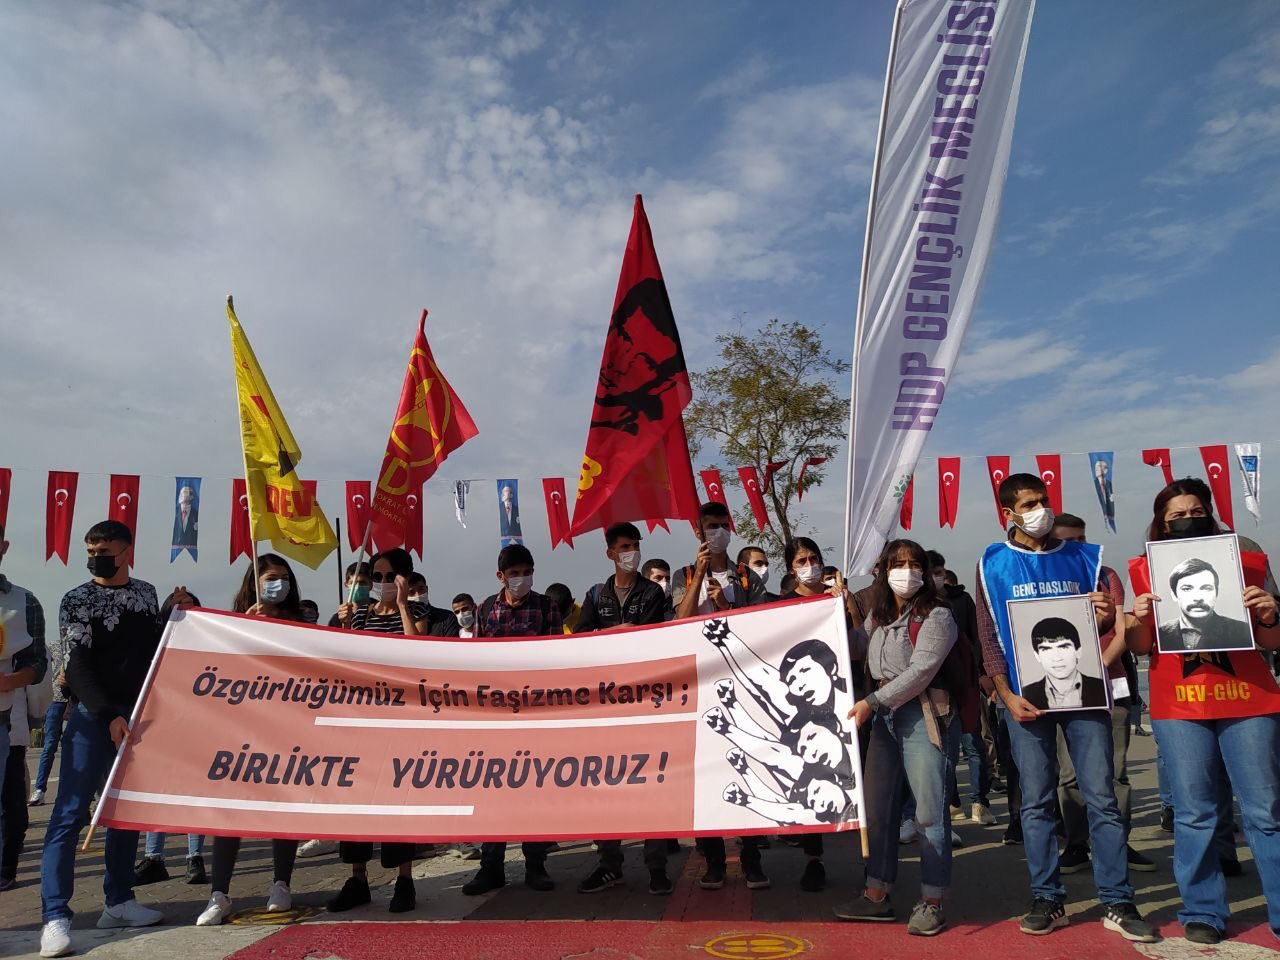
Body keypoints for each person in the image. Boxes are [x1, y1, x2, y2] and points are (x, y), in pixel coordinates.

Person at [974, 474, 1156, 942]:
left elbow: (1108, 627)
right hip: (1024, 699)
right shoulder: (992, 563)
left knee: (1101, 798)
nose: (1041, 509)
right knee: (1036, 802)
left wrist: (1105, 617)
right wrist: (1005, 695)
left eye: (1044, 500)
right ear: (1008, 513)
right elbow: (989, 638)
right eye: (1029, 504)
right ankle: (1047, 898)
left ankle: (1117, 900)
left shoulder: (1083, 557)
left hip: (1086, 698)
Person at [1127, 477, 1280, 945]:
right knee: (1194, 812)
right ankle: (1203, 910)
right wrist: (1138, 617)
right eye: (1175, 516)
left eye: (1195, 511)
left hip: (1249, 698)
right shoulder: (1146, 570)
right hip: (1180, 703)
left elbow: (1273, 639)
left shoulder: (1247, 556)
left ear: (1209, 512)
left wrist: (1270, 613)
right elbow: (1141, 647)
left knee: (1265, 810)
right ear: (1161, 522)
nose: (1186, 520)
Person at [40, 520, 162, 958]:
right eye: (91, 551)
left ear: (127, 551)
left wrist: (179, 609)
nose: (97, 558)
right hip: (93, 718)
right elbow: (76, 664)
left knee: (124, 813)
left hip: (137, 718)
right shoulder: (76, 599)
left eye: (105, 551)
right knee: (69, 814)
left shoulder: (146, 595)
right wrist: (108, 713)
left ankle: (120, 900)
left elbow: (155, 647)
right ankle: (55, 915)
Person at [834, 539, 956, 937]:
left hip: (921, 715)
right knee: (878, 811)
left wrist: (872, 701)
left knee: (928, 815)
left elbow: (921, 671)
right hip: (885, 720)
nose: (908, 572)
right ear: (884, 571)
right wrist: (834, 613)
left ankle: (933, 901)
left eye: (915, 564)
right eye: (899, 564)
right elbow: (857, 647)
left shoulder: (937, 615)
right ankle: (876, 894)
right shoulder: (881, 615)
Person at [196, 555, 306, 927]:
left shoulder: (300, 624)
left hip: (286, 728)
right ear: (255, 583)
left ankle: (281, 884)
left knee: (283, 808)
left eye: (285, 578)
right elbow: (219, 670)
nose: (279, 584)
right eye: (272, 577)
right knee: (231, 813)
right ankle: (219, 893)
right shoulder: (234, 623)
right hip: (241, 729)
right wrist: (247, 629)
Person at [1048, 513, 1153, 875]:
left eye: (1082, 538)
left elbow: (1124, 631)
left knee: (1116, 772)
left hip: (1111, 685)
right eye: (1068, 540)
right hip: (1063, 690)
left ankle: (1118, 842)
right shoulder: (1045, 580)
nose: (1078, 545)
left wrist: (1098, 668)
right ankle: (1077, 843)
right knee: (1069, 774)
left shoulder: (1106, 575)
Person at [672, 502, 769, 889]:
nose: (717, 532)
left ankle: (752, 858)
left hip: (740, 684)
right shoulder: (683, 574)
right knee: (706, 775)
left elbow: (763, 625)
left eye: (722, 525)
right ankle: (712, 859)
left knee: (748, 771)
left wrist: (727, 605)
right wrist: (698, 577)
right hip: (699, 686)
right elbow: (679, 621)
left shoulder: (746, 577)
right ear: (698, 533)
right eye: (710, 527)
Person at [572, 522, 672, 894]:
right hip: (605, 708)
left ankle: (657, 867)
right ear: (610, 553)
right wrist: (613, 632)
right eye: (624, 547)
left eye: (635, 545)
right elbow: (581, 641)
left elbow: (648, 638)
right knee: (605, 786)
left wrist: (610, 636)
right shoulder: (595, 594)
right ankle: (609, 864)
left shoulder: (652, 592)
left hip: (644, 703)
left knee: (652, 784)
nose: (631, 552)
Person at [462, 544, 563, 896]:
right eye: (515, 573)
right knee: (493, 792)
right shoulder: (485, 609)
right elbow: (478, 662)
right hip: (497, 717)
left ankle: (536, 865)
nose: (522, 578)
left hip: (535, 713)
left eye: (527, 571)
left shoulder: (547, 607)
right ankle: (491, 867)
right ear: (501, 576)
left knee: (533, 790)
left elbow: (557, 658)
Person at [327, 549, 422, 915]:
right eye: (376, 577)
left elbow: (417, 652)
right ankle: (357, 878)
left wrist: (402, 606)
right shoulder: (359, 614)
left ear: (404, 578)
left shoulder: (417, 613)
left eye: (388, 576)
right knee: (356, 797)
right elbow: (341, 659)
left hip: (399, 721)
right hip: (362, 720)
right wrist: (341, 625)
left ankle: (404, 879)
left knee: (397, 799)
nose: (381, 583)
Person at [776, 536, 866, 892]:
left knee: (857, 774)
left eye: (814, 558)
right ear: (791, 567)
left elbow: (858, 640)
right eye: (802, 560)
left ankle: (870, 859)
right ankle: (813, 859)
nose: (809, 565)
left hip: (844, 700)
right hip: (807, 714)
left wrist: (847, 603)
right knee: (814, 775)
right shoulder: (781, 605)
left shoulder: (836, 599)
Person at [134, 589, 208, 887]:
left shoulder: (208, 642)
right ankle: (154, 857)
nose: (184, 612)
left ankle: (195, 857)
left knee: (194, 790)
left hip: (198, 723)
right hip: (163, 720)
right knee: (159, 788)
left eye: (190, 607)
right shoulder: (157, 641)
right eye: (178, 607)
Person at [928, 550, 994, 827]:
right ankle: (952, 803)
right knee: (946, 754)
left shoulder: (962, 600)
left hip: (967, 686)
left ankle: (980, 802)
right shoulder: (920, 605)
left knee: (974, 746)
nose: (937, 577)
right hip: (936, 691)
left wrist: (983, 673)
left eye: (940, 571)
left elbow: (978, 638)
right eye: (932, 572)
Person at [0, 522, 47, 891]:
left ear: (3, 547)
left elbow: (37, 663)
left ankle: (5, 869)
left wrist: (11, 681)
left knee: (9, 799)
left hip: (4, 716)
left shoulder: (23, 601)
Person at [1158, 558, 1254, 653]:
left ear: (1216, 593)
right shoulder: (1160, 632)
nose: (1197, 597)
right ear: (1174, 595)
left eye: (1206, 588)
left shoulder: (1242, 631)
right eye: (1187, 589)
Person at [2, 685, 33, 891]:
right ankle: (5, 869)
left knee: (11, 801)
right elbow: (39, 693)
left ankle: (5, 868)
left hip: (11, 728)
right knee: (11, 801)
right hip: (14, 727)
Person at [405, 571, 462, 637]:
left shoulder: (447, 618)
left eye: (421, 589)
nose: (418, 595)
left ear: (427, 589)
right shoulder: (399, 622)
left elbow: (450, 643)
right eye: (411, 592)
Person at [327, 562, 371, 628]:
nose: (357, 587)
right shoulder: (337, 619)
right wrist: (344, 624)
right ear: (346, 585)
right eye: (353, 583)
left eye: (362, 583)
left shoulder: (378, 613)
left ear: (371, 585)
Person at [171, 483, 199, 550]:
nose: (184, 495)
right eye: (183, 493)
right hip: (176, 545)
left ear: (191, 496)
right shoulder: (174, 513)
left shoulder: (195, 514)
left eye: (186, 493)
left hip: (191, 545)